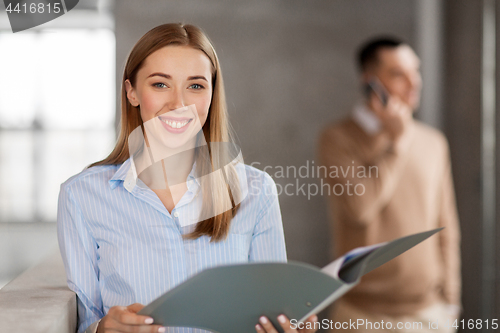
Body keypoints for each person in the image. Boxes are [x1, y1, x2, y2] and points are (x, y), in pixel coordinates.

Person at [57, 23, 317, 333]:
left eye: (195, 86)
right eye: (160, 84)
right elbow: (85, 320)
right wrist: (102, 329)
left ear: (211, 94)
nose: (179, 104)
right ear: (132, 92)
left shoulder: (256, 191)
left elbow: (276, 311)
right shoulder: (82, 196)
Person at [317, 37, 461, 332]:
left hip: (429, 314)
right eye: (398, 74)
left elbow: (447, 226)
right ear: (370, 82)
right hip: (361, 315)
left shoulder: (433, 143)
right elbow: (360, 208)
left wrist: (451, 303)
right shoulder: (337, 139)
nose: (414, 83)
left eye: (415, 71)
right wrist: (396, 143)